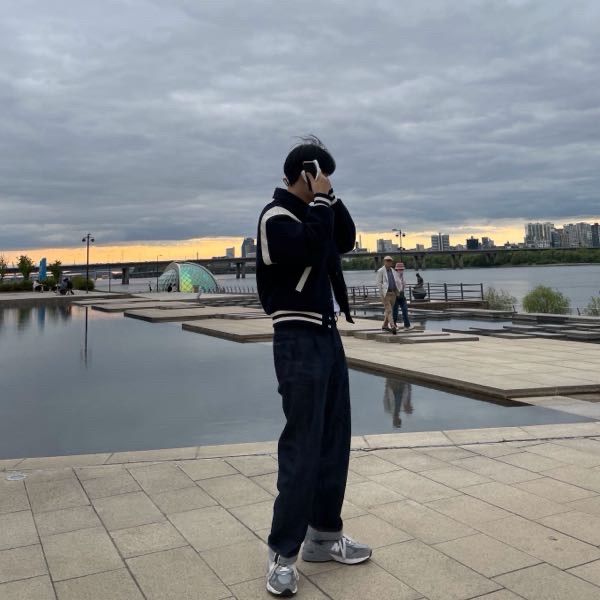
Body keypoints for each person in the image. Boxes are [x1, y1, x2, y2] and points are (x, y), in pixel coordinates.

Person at [257, 136, 371, 597]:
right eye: (321, 174)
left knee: (333, 439)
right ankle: (281, 554)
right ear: (304, 173)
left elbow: (343, 239)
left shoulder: (315, 213)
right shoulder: (275, 217)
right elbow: (307, 248)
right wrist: (319, 203)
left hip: (327, 334)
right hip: (296, 339)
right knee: (303, 445)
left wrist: (330, 198)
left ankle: (323, 537)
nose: (325, 183)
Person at [376, 256, 398, 333]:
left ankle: (385, 326)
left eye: (390, 261)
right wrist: (382, 293)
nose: (389, 262)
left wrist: (398, 290)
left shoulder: (393, 271)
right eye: (387, 261)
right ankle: (393, 326)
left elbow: (396, 281)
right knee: (389, 310)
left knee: (388, 311)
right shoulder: (380, 271)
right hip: (385, 293)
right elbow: (379, 283)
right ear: (384, 262)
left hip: (393, 293)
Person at [392, 262, 413, 330]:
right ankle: (394, 324)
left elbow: (404, 286)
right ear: (397, 269)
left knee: (405, 310)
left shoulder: (403, 276)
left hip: (402, 295)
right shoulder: (394, 276)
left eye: (402, 269)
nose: (401, 270)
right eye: (399, 269)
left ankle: (407, 325)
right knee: (395, 311)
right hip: (395, 295)